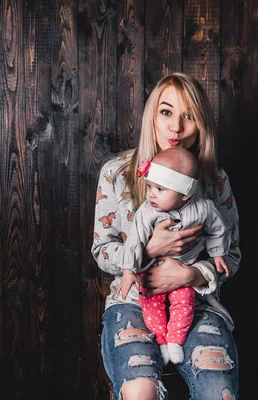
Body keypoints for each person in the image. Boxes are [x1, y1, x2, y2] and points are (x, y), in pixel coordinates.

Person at [92, 72, 241, 400]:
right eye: (167, 112)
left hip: (198, 305)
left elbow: (231, 256)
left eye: (189, 115)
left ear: (201, 123)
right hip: (133, 302)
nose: (176, 127)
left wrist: (193, 274)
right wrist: (147, 250)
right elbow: (102, 250)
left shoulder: (214, 181)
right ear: (152, 116)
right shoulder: (117, 173)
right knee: (139, 392)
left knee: (220, 393)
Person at [117, 147, 230, 366]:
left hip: (184, 269)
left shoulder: (203, 209)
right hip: (151, 271)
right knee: (151, 303)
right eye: (149, 186)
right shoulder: (147, 212)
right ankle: (160, 340)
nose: (151, 194)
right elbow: (134, 242)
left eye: (160, 189)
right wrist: (129, 270)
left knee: (184, 303)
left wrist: (217, 254)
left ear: (185, 194)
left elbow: (218, 229)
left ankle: (175, 341)